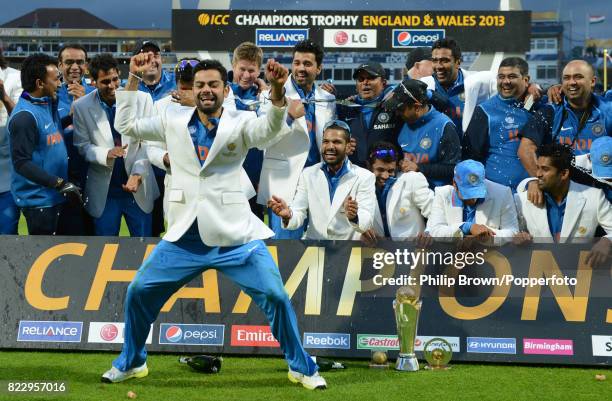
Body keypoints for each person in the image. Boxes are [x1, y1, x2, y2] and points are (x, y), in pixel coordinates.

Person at [101, 55, 327, 390]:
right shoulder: (170, 117)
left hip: (235, 236)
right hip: (183, 237)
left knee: (277, 298)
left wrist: (278, 90)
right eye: (201, 85)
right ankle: (132, 361)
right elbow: (127, 126)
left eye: (214, 85)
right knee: (137, 293)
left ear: (225, 89)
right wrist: (133, 76)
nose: (207, 90)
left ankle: (301, 366)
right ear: (192, 89)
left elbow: (270, 131)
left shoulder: (241, 120)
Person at [257, 39, 336, 239]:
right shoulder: (270, 95)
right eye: (297, 62)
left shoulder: (326, 99)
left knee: (319, 245)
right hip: (285, 182)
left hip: (317, 181)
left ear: (319, 69)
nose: (300, 68)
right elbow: (262, 140)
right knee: (285, 248)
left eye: (307, 64)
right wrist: (289, 118)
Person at [73, 54, 158, 236]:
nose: (112, 86)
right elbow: (82, 146)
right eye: (105, 82)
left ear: (119, 74)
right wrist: (105, 153)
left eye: (115, 79)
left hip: (138, 187)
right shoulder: (81, 106)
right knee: (104, 247)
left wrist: (138, 173)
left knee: (143, 247)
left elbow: (149, 144)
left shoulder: (143, 99)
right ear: (93, 81)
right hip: (105, 192)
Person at [519, 60, 612, 206]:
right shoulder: (550, 110)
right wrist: (538, 179)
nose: (572, 82)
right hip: (564, 197)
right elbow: (525, 149)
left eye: (578, 77)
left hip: (605, 196)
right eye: (566, 78)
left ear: (592, 81)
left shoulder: (607, 110)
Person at [7, 54, 81, 235]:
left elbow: (51, 131)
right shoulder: (24, 117)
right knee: (47, 259)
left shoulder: (45, 102)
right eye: (56, 79)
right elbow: (21, 163)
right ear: (40, 83)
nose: (60, 83)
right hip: (39, 202)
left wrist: (71, 117)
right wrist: (58, 183)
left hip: (55, 195)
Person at [268, 120, 375, 240]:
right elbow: (299, 211)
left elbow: (367, 220)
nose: (330, 147)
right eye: (326, 141)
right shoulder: (308, 173)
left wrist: (354, 217)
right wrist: (288, 215)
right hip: (315, 248)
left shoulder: (365, 177)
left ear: (348, 146)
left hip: (347, 249)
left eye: (337, 142)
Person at [514, 143, 611, 267]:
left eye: (545, 169)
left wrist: (607, 240)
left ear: (564, 174)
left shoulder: (594, 197)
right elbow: (510, 232)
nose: (538, 174)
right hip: (537, 278)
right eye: (538, 167)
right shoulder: (522, 199)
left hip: (580, 277)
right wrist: (516, 238)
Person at [463, 57, 544, 191]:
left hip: (535, 192)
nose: (505, 82)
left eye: (512, 77)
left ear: (526, 80)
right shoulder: (485, 111)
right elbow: (470, 157)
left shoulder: (538, 106)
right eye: (501, 77)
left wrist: (547, 88)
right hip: (497, 194)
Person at [133, 40, 177, 237]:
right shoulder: (128, 89)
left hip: (171, 169)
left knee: (174, 228)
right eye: (146, 55)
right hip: (139, 171)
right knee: (146, 232)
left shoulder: (178, 84)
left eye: (156, 55)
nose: (152, 60)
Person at [387, 78, 461, 187]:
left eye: (401, 109)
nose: (397, 113)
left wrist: (419, 168)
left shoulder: (444, 126)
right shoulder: (401, 122)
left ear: (417, 107)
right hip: (405, 191)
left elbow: (453, 168)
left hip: (434, 196)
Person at [426, 159, 519, 245]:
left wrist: (487, 237)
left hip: (489, 255)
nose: (473, 199)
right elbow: (435, 231)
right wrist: (468, 227)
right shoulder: (442, 194)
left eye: (477, 192)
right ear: (454, 184)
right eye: (467, 194)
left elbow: (512, 231)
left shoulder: (502, 193)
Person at [360, 141, 433, 244]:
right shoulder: (360, 185)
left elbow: (434, 211)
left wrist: (428, 232)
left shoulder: (412, 179)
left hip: (413, 252)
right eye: (380, 170)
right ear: (369, 166)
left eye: (390, 171)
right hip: (379, 254)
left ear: (397, 167)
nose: (385, 176)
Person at [224, 42, 266, 219]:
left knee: (253, 233)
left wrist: (266, 96)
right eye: (242, 69)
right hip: (225, 177)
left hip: (255, 179)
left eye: (252, 70)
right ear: (233, 66)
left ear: (259, 70)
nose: (246, 75)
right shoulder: (220, 94)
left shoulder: (265, 97)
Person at [56, 43, 95, 234]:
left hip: (93, 175)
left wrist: (83, 104)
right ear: (59, 65)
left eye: (80, 62)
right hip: (62, 176)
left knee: (96, 237)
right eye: (69, 62)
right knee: (66, 235)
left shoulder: (97, 94)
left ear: (86, 65)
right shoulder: (50, 94)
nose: (75, 67)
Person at [337, 61, 401, 168]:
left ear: (384, 83)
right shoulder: (346, 108)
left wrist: (395, 90)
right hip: (356, 174)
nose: (365, 82)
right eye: (360, 79)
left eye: (371, 78)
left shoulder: (394, 106)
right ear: (356, 86)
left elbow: (414, 88)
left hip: (386, 172)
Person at [0, 49, 22, 234]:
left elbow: (22, 120)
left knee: (6, 236)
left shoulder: (15, 77)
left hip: (6, 178)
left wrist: (4, 97)